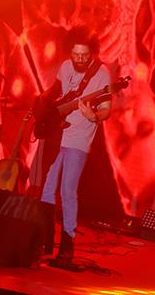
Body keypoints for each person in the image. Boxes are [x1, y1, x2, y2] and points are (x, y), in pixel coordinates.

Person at [38, 33, 112, 261]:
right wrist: (41, 105)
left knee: (68, 191)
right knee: (47, 188)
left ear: (92, 54)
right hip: (57, 134)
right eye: (75, 54)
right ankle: (44, 240)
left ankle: (67, 243)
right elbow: (56, 92)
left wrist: (93, 116)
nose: (79, 59)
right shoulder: (65, 66)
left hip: (78, 138)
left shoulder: (102, 74)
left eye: (84, 55)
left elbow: (106, 110)